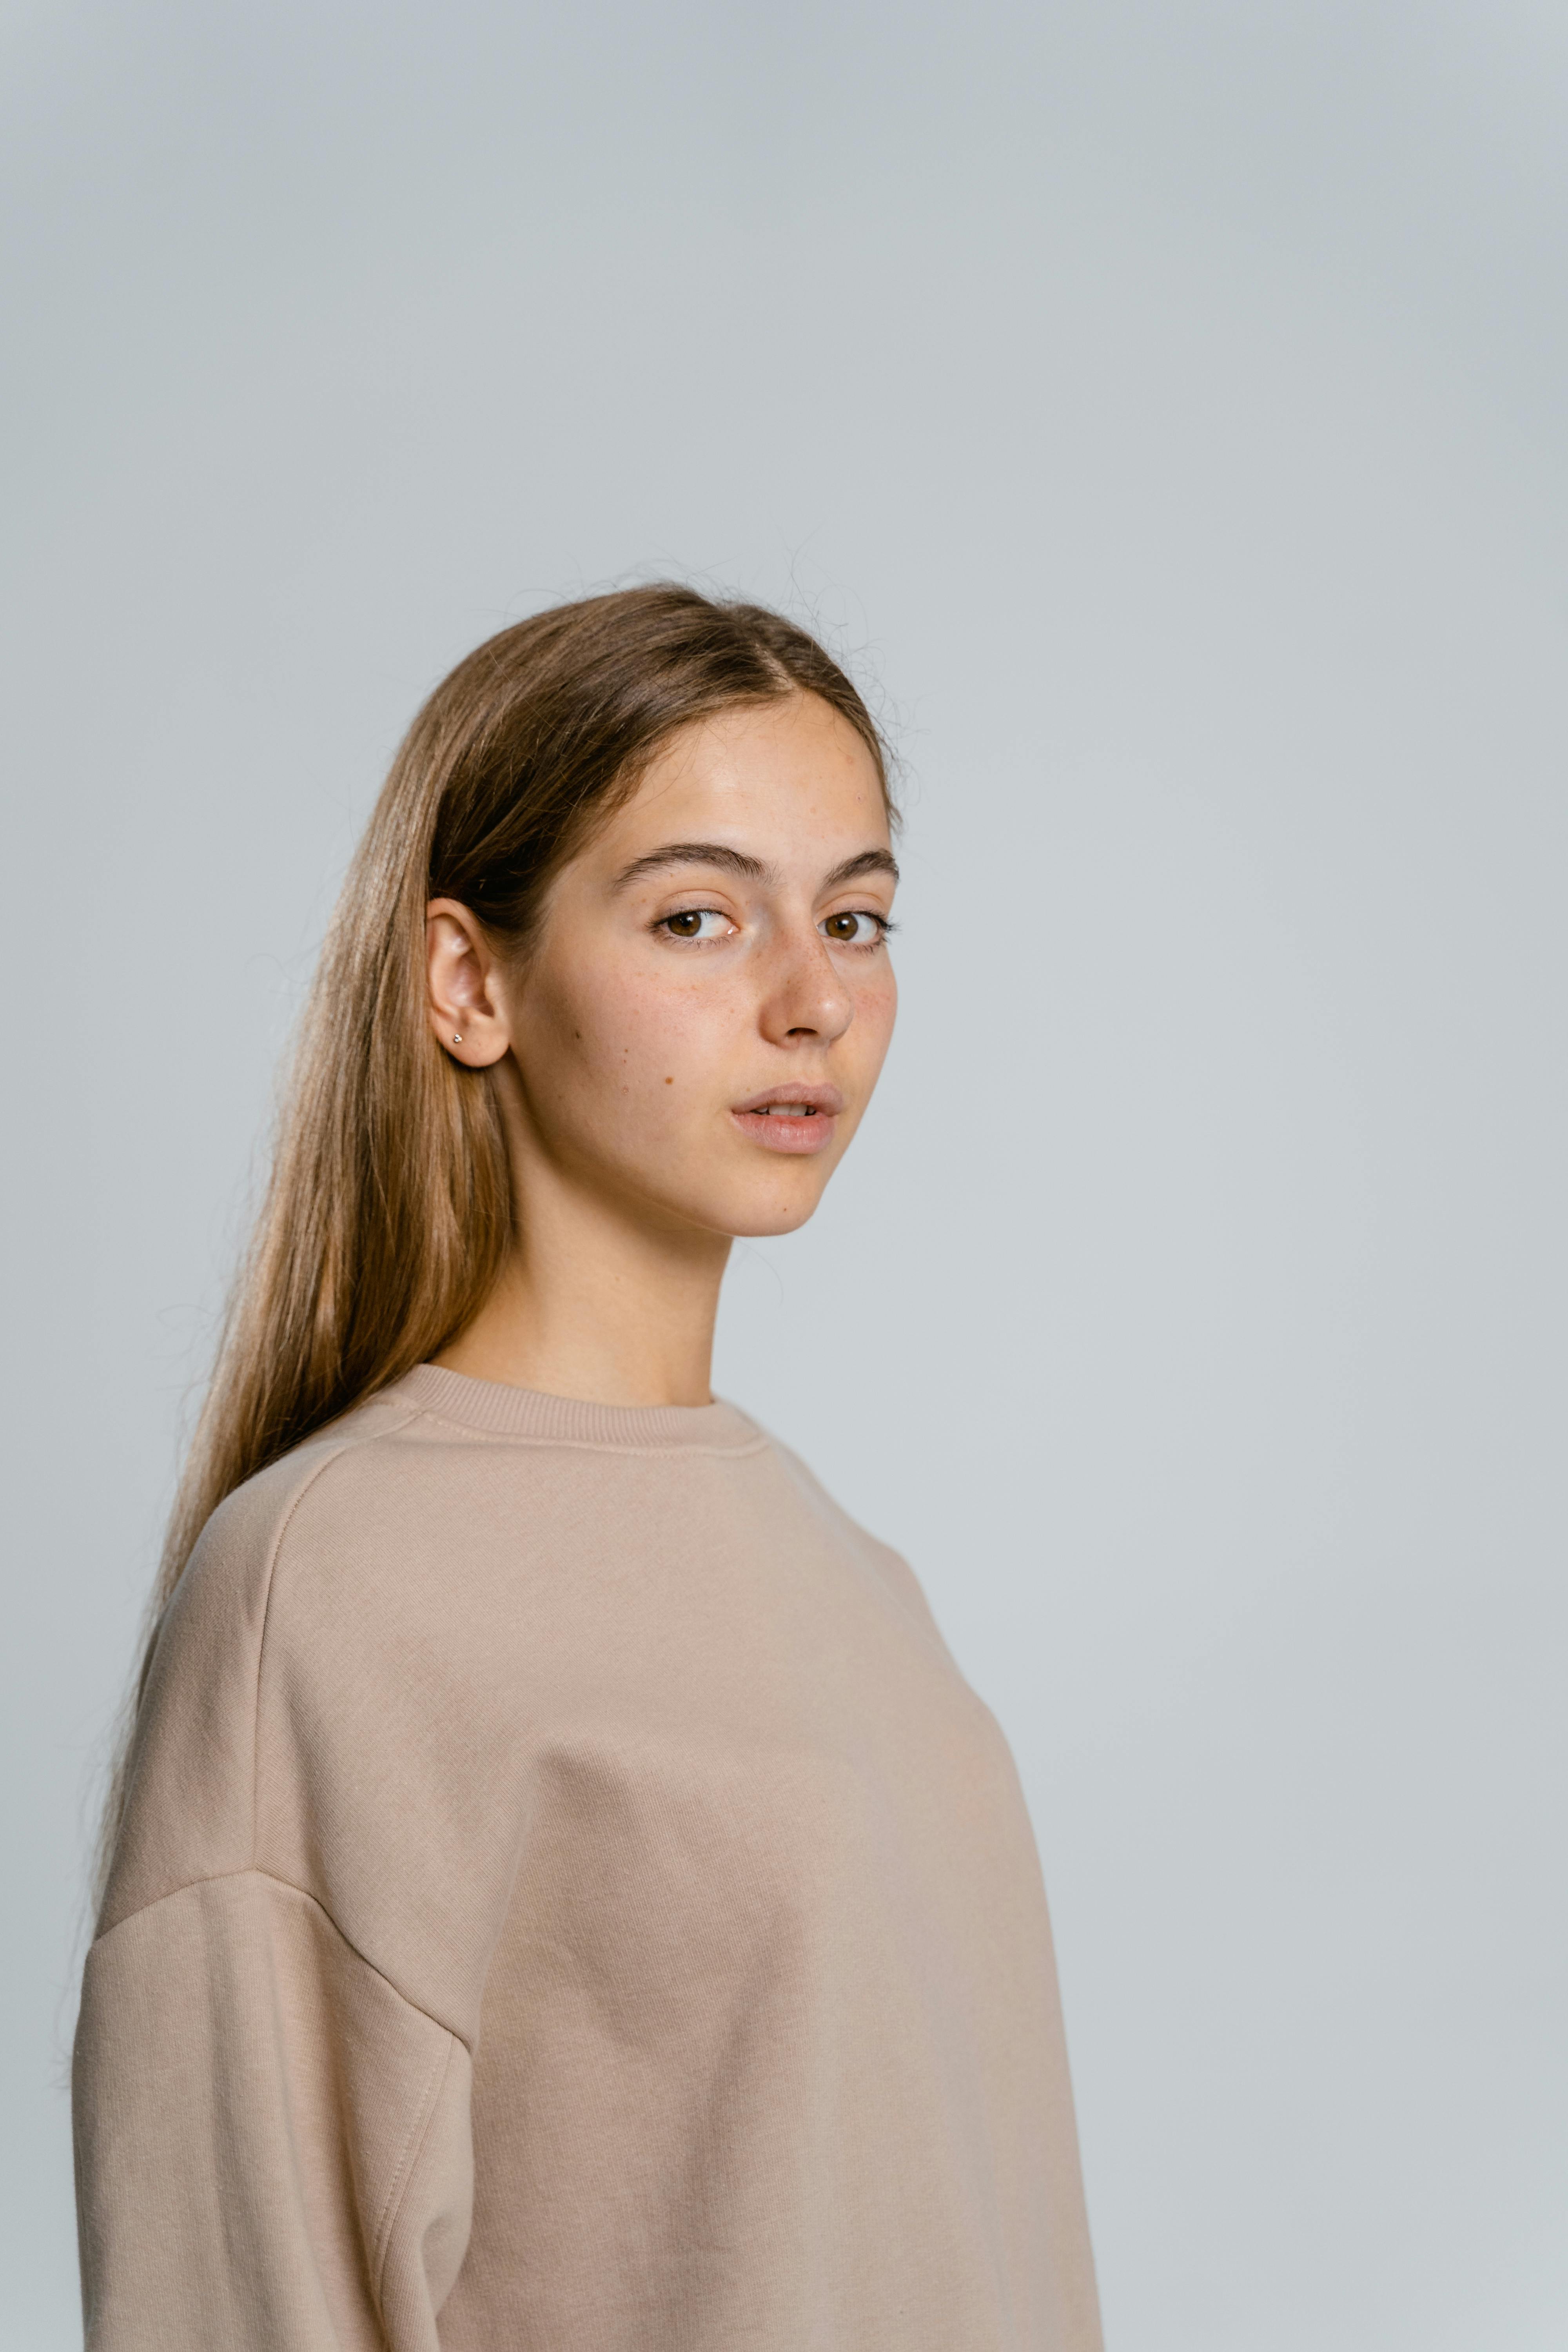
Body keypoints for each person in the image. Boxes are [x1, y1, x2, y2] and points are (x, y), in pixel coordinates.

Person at [73, 585, 1103, 2351]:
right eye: (699, 917)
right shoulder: (325, 1589)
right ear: (470, 981)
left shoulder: (858, 1580)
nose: (811, 1001)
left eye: (854, 919)